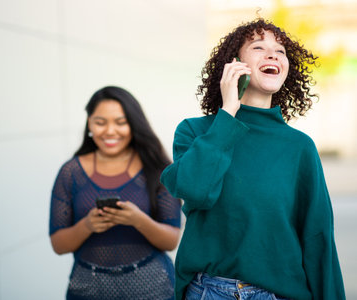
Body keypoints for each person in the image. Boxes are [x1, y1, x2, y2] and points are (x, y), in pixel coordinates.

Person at [160, 19, 346, 300]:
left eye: (280, 51)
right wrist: (228, 113)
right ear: (234, 64)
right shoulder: (196, 132)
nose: (272, 54)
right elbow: (195, 190)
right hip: (210, 291)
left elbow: (318, 237)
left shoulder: (299, 147)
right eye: (258, 47)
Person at [49, 86, 181, 300]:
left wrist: (138, 220)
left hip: (152, 287)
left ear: (134, 124)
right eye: (100, 122)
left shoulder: (157, 168)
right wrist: (87, 225)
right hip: (87, 288)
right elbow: (58, 244)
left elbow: (171, 240)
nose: (110, 131)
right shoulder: (71, 172)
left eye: (121, 122)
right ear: (89, 124)